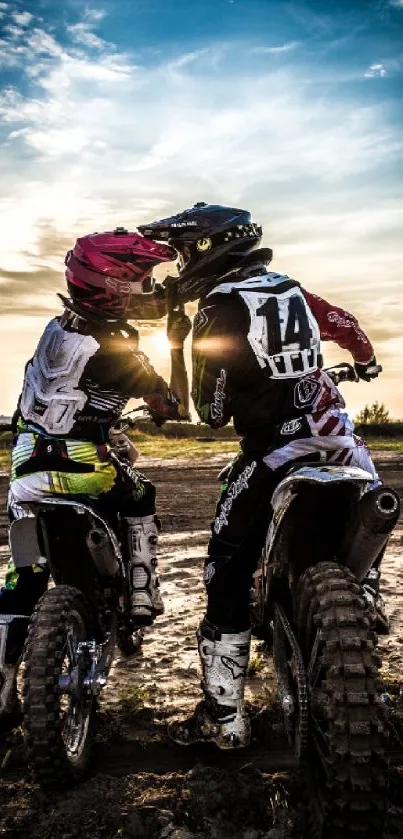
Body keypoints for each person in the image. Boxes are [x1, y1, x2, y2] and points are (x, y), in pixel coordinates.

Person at [139, 202, 384, 749]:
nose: (179, 266)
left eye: (182, 252)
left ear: (207, 250)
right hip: (342, 445)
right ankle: (367, 598)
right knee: (371, 514)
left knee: (224, 567)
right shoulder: (291, 289)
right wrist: (363, 361)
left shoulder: (220, 308)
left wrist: (180, 346)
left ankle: (224, 719)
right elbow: (345, 326)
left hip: (276, 452)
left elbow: (213, 410)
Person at [0, 227, 184, 714]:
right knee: (140, 495)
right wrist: (177, 353)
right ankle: (143, 591)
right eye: (141, 278)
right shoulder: (117, 351)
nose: (148, 287)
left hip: (27, 464)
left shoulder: (57, 330)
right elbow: (168, 407)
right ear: (116, 286)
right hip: (84, 464)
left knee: (25, 574)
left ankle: (2, 683)